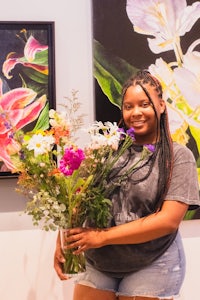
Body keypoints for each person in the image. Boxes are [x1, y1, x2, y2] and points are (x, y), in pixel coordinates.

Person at [54, 70, 200, 300]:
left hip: (152, 262)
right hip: (99, 260)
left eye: (144, 104)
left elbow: (168, 220)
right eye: (129, 106)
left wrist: (102, 237)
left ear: (161, 106)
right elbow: (77, 201)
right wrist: (64, 240)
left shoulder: (179, 157)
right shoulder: (105, 150)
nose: (136, 112)